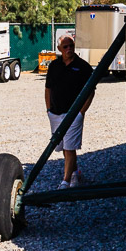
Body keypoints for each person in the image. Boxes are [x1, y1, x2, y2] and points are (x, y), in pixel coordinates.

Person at [45, 34, 94, 189]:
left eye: (71, 46)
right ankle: (74, 173)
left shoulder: (83, 67)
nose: (69, 49)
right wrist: (48, 110)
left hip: (73, 114)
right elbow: (48, 89)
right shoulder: (54, 66)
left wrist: (81, 113)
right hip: (55, 114)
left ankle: (65, 181)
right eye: (65, 47)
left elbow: (90, 92)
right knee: (63, 147)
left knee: (69, 146)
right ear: (59, 49)